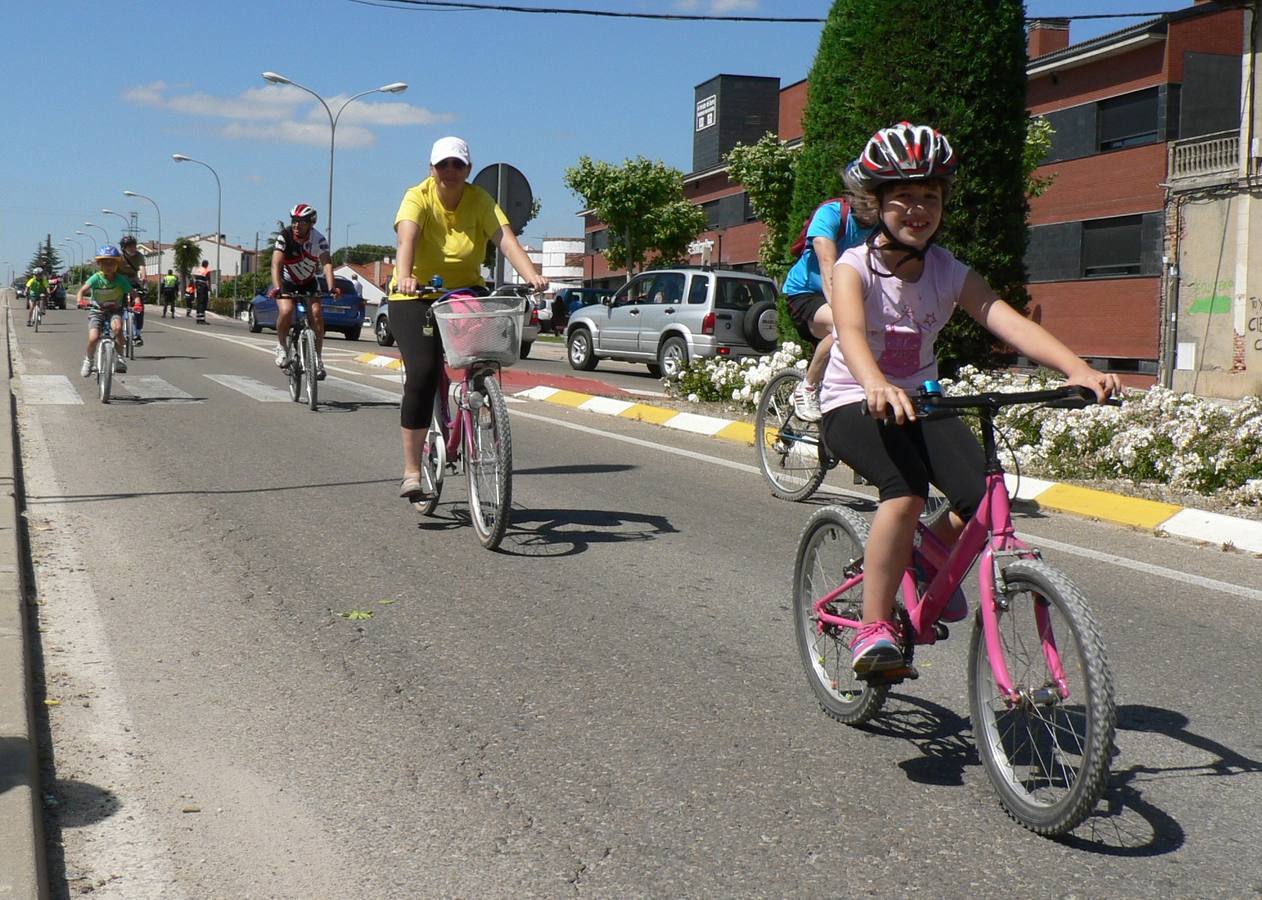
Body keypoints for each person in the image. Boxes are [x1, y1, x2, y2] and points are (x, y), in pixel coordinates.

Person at [820, 122, 1121, 674]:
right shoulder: (852, 268)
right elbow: (853, 336)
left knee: (982, 497)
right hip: (852, 400)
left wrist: (1078, 368)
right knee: (905, 492)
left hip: (923, 402)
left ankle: (916, 562)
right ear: (875, 202)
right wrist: (874, 383)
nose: (918, 209)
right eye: (903, 196)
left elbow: (1002, 318)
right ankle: (872, 626)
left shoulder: (947, 269)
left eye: (930, 196)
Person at [390, 136, 547, 499]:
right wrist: (405, 275)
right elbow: (406, 240)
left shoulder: (479, 200)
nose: (450, 171)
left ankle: (480, 400)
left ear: (468, 169)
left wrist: (531, 275)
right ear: (431, 169)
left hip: (464, 293)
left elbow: (506, 241)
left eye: (457, 165)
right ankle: (412, 470)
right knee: (424, 372)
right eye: (443, 164)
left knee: (485, 356)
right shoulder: (418, 196)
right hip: (415, 296)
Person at [782, 186, 875, 422]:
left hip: (847, 293)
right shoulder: (831, 214)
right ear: (854, 196)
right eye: (868, 197)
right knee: (843, 328)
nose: (874, 205)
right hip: (805, 293)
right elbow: (828, 267)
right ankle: (808, 387)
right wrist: (846, 316)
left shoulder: (881, 227)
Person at [267, 204, 337, 376]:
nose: (297, 225)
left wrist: (332, 286)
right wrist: (277, 287)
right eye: (294, 221)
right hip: (287, 282)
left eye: (302, 222)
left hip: (308, 282)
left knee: (317, 314)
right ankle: (282, 346)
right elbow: (276, 263)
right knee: (287, 310)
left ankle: (318, 359)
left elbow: (326, 263)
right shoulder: (284, 237)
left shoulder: (318, 239)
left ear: (311, 224)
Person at [76, 246, 134, 377]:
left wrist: (136, 302)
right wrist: (80, 301)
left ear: (117, 264)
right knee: (93, 338)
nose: (109, 266)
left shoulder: (120, 279)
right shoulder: (96, 278)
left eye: (112, 263)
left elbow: (133, 293)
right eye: (105, 263)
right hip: (97, 311)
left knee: (118, 330)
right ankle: (88, 360)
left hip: (114, 311)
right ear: (99, 264)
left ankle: (120, 358)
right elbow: (81, 291)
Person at [117, 235, 146, 345]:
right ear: (124, 248)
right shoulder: (119, 257)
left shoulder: (139, 256)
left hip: (134, 281)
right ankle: (117, 330)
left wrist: (144, 278)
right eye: (130, 246)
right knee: (116, 306)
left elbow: (142, 268)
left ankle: (137, 334)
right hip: (120, 281)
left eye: (134, 246)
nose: (133, 248)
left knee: (139, 307)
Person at [192, 259, 211, 324]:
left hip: (198, 287)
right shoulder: (207, 271)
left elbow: (194, 278)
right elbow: (208, 281)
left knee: (199, 302)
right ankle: (202, 320)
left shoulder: (198, 270)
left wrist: (195, 287)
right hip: (203, 287)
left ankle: (198, 319)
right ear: (206, 265)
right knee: (203, 303)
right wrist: (209, 290)